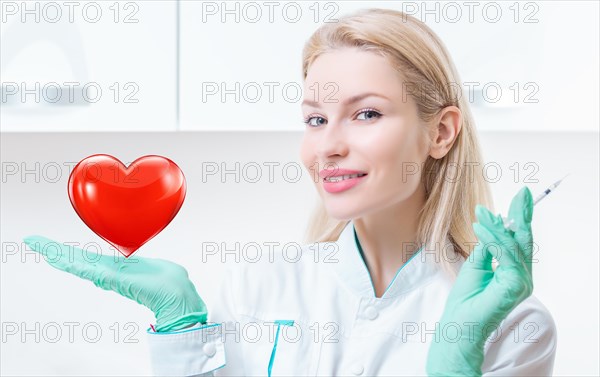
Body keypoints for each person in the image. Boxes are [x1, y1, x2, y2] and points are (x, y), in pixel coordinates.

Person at [24, 8, 557, 376]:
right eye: (315, 118)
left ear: (440, 132)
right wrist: (179, 325)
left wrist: (454, 364)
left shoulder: (512, 323)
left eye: (366, 113)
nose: (327, 146)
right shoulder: (259, 285)